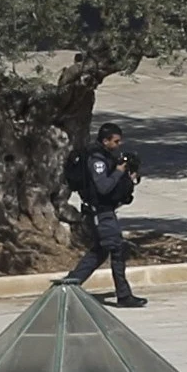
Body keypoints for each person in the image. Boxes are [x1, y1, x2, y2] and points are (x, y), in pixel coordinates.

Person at [59, 123, 146, 308]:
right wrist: (118, 172)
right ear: (105, 140)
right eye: (115, 141)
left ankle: (70, 284)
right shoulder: (96, 159)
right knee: (116, 249)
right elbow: (104, 186)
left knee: (100, 250)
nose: (118, 144)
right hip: (100, 213)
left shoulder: (107, 156)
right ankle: (124, 295)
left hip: (105, 212)